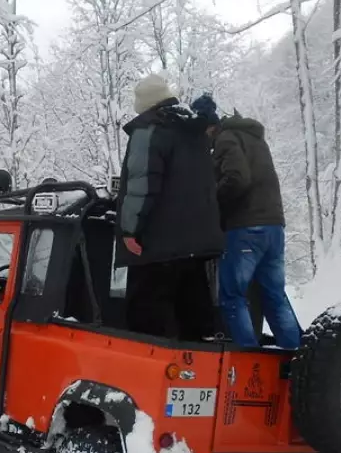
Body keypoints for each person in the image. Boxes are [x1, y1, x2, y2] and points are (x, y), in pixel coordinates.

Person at [191, 93, 302, 350]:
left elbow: (237, 178)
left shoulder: (225, 139)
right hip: (274, 226)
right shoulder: (253, 139)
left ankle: (247, 357)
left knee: (232, 296)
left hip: (245, 228)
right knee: (273, 295)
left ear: (210, 126)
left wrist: (211, 203)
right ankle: (296, 355)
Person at [116, 74, 223, 342]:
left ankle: (145, 378)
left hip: (158, 244)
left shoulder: (149, 129)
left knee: (146, 319)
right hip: (195, 243)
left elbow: (141, 186)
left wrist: (130, 230)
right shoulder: (194, 130)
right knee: (194, 320)